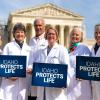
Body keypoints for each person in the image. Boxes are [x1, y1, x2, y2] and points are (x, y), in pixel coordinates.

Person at [31, 26, 70, 100]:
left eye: (53, 34)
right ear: (46, 36)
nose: (51, 36)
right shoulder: (40, 51)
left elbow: (67, 69)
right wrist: (33, 70)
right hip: (42, 90)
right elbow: (38, 68)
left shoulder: (62, 50)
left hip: (56, 91)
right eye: (49, 34)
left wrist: (63, 82)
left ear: (57, 37)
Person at [0, 23, 31, 100]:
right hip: (9, 85)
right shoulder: (8, 46)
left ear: (24, 34)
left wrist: (31, 69)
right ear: (14, 34)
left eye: (22, 32)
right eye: (17, 32)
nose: (20, 34)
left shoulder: (30, 49)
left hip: (23, 87)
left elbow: (31, 64)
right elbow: (2, 65)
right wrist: (8, 76)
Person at [67, 26, 92, 100]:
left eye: (77, 35)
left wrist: (82, 74)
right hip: (70, 86)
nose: (74, 36)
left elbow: (86, 64)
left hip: (81, 86)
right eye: (73, 34)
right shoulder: (69, 49)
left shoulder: (84, 48)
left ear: (81, 37)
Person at [28, 18, 47, 100]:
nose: (38, 27)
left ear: (44, 26)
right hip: (30, 76)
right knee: (31, 96)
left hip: (41, 76)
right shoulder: (31, 41)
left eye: (40, 25)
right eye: (36, 25)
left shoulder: (48, 39)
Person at [91, 24, 100, 100]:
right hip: (94, 85)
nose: (98, 35)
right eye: (96, 33)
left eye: (99, 32)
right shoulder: (92, 48)